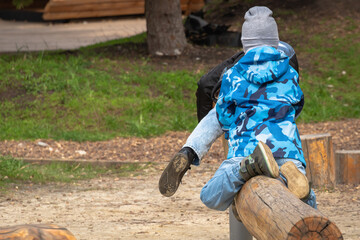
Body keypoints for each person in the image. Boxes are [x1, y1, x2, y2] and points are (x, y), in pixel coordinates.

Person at [159, 6, 316, 210]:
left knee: (209, 196)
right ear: (276, 43)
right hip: (289, 152)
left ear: (244, 45)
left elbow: (223, 116)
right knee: (308, 201)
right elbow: (296, 104)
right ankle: (290, 176)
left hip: (246, 150)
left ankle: (242, 167)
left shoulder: (232, 75)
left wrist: (233, 124)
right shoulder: (289, 73)